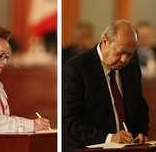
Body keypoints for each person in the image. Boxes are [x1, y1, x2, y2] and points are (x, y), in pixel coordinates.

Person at [62, 20, 149, 152]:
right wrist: (109, 138)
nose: (124, 60)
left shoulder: (131, 67)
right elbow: (69, 122)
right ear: (105, 41)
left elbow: (140, 107)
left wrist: (141, 132)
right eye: (120, 52)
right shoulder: (75, 68)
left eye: (130, 54)